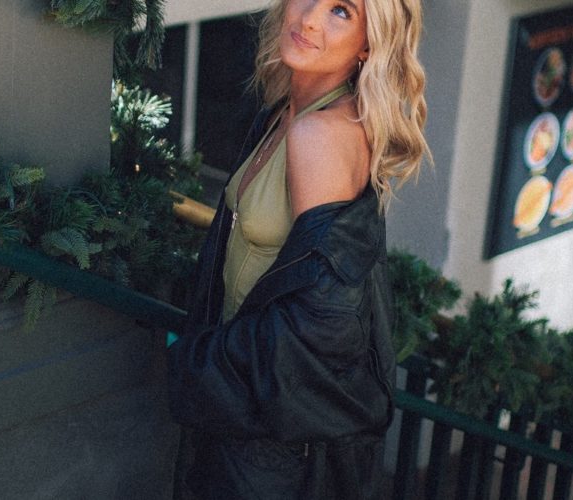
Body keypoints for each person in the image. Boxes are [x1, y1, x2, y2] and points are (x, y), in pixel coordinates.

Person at [167, 0, 430, 498]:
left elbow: (327, 325)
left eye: (341, 11)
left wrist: (200, 361)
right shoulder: (286, 112)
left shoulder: (320, 135)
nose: (309, 17)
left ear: (369, 44)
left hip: (268, 446)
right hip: (249, 416)